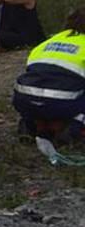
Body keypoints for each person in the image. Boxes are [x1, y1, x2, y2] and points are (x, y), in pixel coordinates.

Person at [13, 8, 85, 139]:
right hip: (61, 102)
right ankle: (75, 126)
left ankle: (32, 124)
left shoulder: (48, 42)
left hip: (23, 99)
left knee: (47, 95)